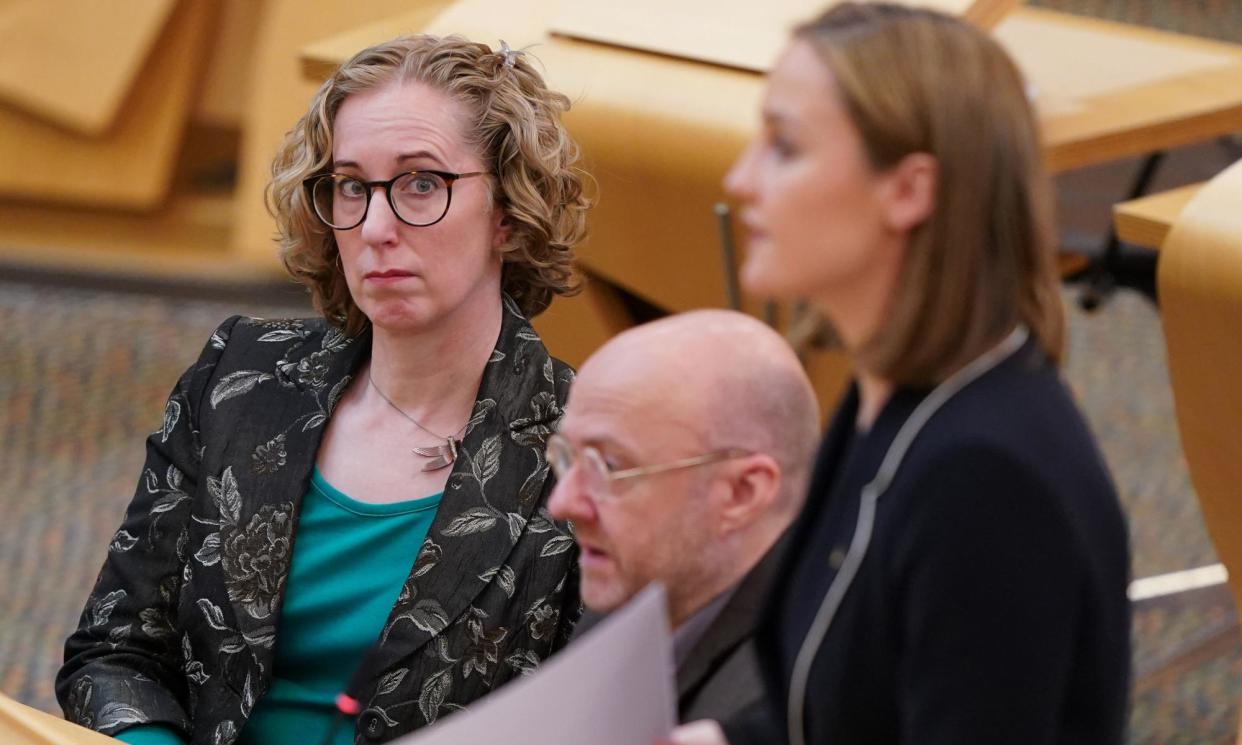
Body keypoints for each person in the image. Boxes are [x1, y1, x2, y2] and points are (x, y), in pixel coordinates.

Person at [57, 35, 590, 745]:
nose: (375, 227)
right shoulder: (242, 376)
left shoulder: (585, 443)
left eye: (421, 183)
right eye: (350, 186)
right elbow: (114, 653)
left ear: (507, 211)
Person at [668, 4, 1131, 744]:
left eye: (784, 146)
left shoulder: (984, 477)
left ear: (909, 191)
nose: (740, 178)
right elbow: (843, 708)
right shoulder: (887, 392)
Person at [545, 310, 820, 722]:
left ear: (741, 493)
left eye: (610, 468)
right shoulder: (639, 593)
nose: (563, 503)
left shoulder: (799, 702)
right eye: (566, 458)